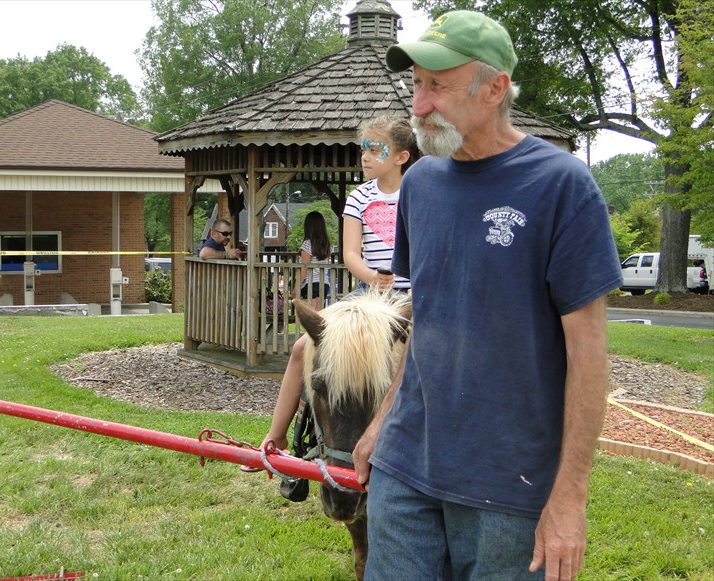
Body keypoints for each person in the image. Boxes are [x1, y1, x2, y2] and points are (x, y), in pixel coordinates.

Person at [351, 11, 624, 581]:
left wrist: (570, 496)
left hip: (510, 485)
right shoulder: (421, 185)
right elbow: (425, 317)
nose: (419, 105)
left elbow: (588, 352)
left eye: (438, 86)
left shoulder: (561, 185)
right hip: (405, 468)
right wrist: (382, 418)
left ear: (494, 88)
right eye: (416, 85)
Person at [249, 116, 419, 473]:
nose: (366, 156)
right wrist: (373, 277)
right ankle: (276, 436)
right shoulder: (359, 197)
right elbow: (351, 255)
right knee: (302, 348)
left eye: (376, 149)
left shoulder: (419, 195)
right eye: (364, 149)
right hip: (367, 292)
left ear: (401, 157)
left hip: (411, 295)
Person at [297, 211, 332, 311]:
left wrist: (296, 288)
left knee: (309, 316)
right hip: (324, 283)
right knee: (318, 315)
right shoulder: (326, 245)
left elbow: (303, 270)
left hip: (310, 284)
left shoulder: (307, 244)